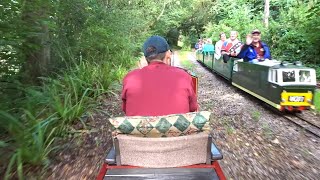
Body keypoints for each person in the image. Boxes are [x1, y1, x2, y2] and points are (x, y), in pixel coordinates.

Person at [121, 35, 198, 116]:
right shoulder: (183, 76)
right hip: (175, 128)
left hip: (141, 128)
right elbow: (193, 108)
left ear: (145, 58)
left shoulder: (130, 78)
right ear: (168, 54)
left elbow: (126, 109)